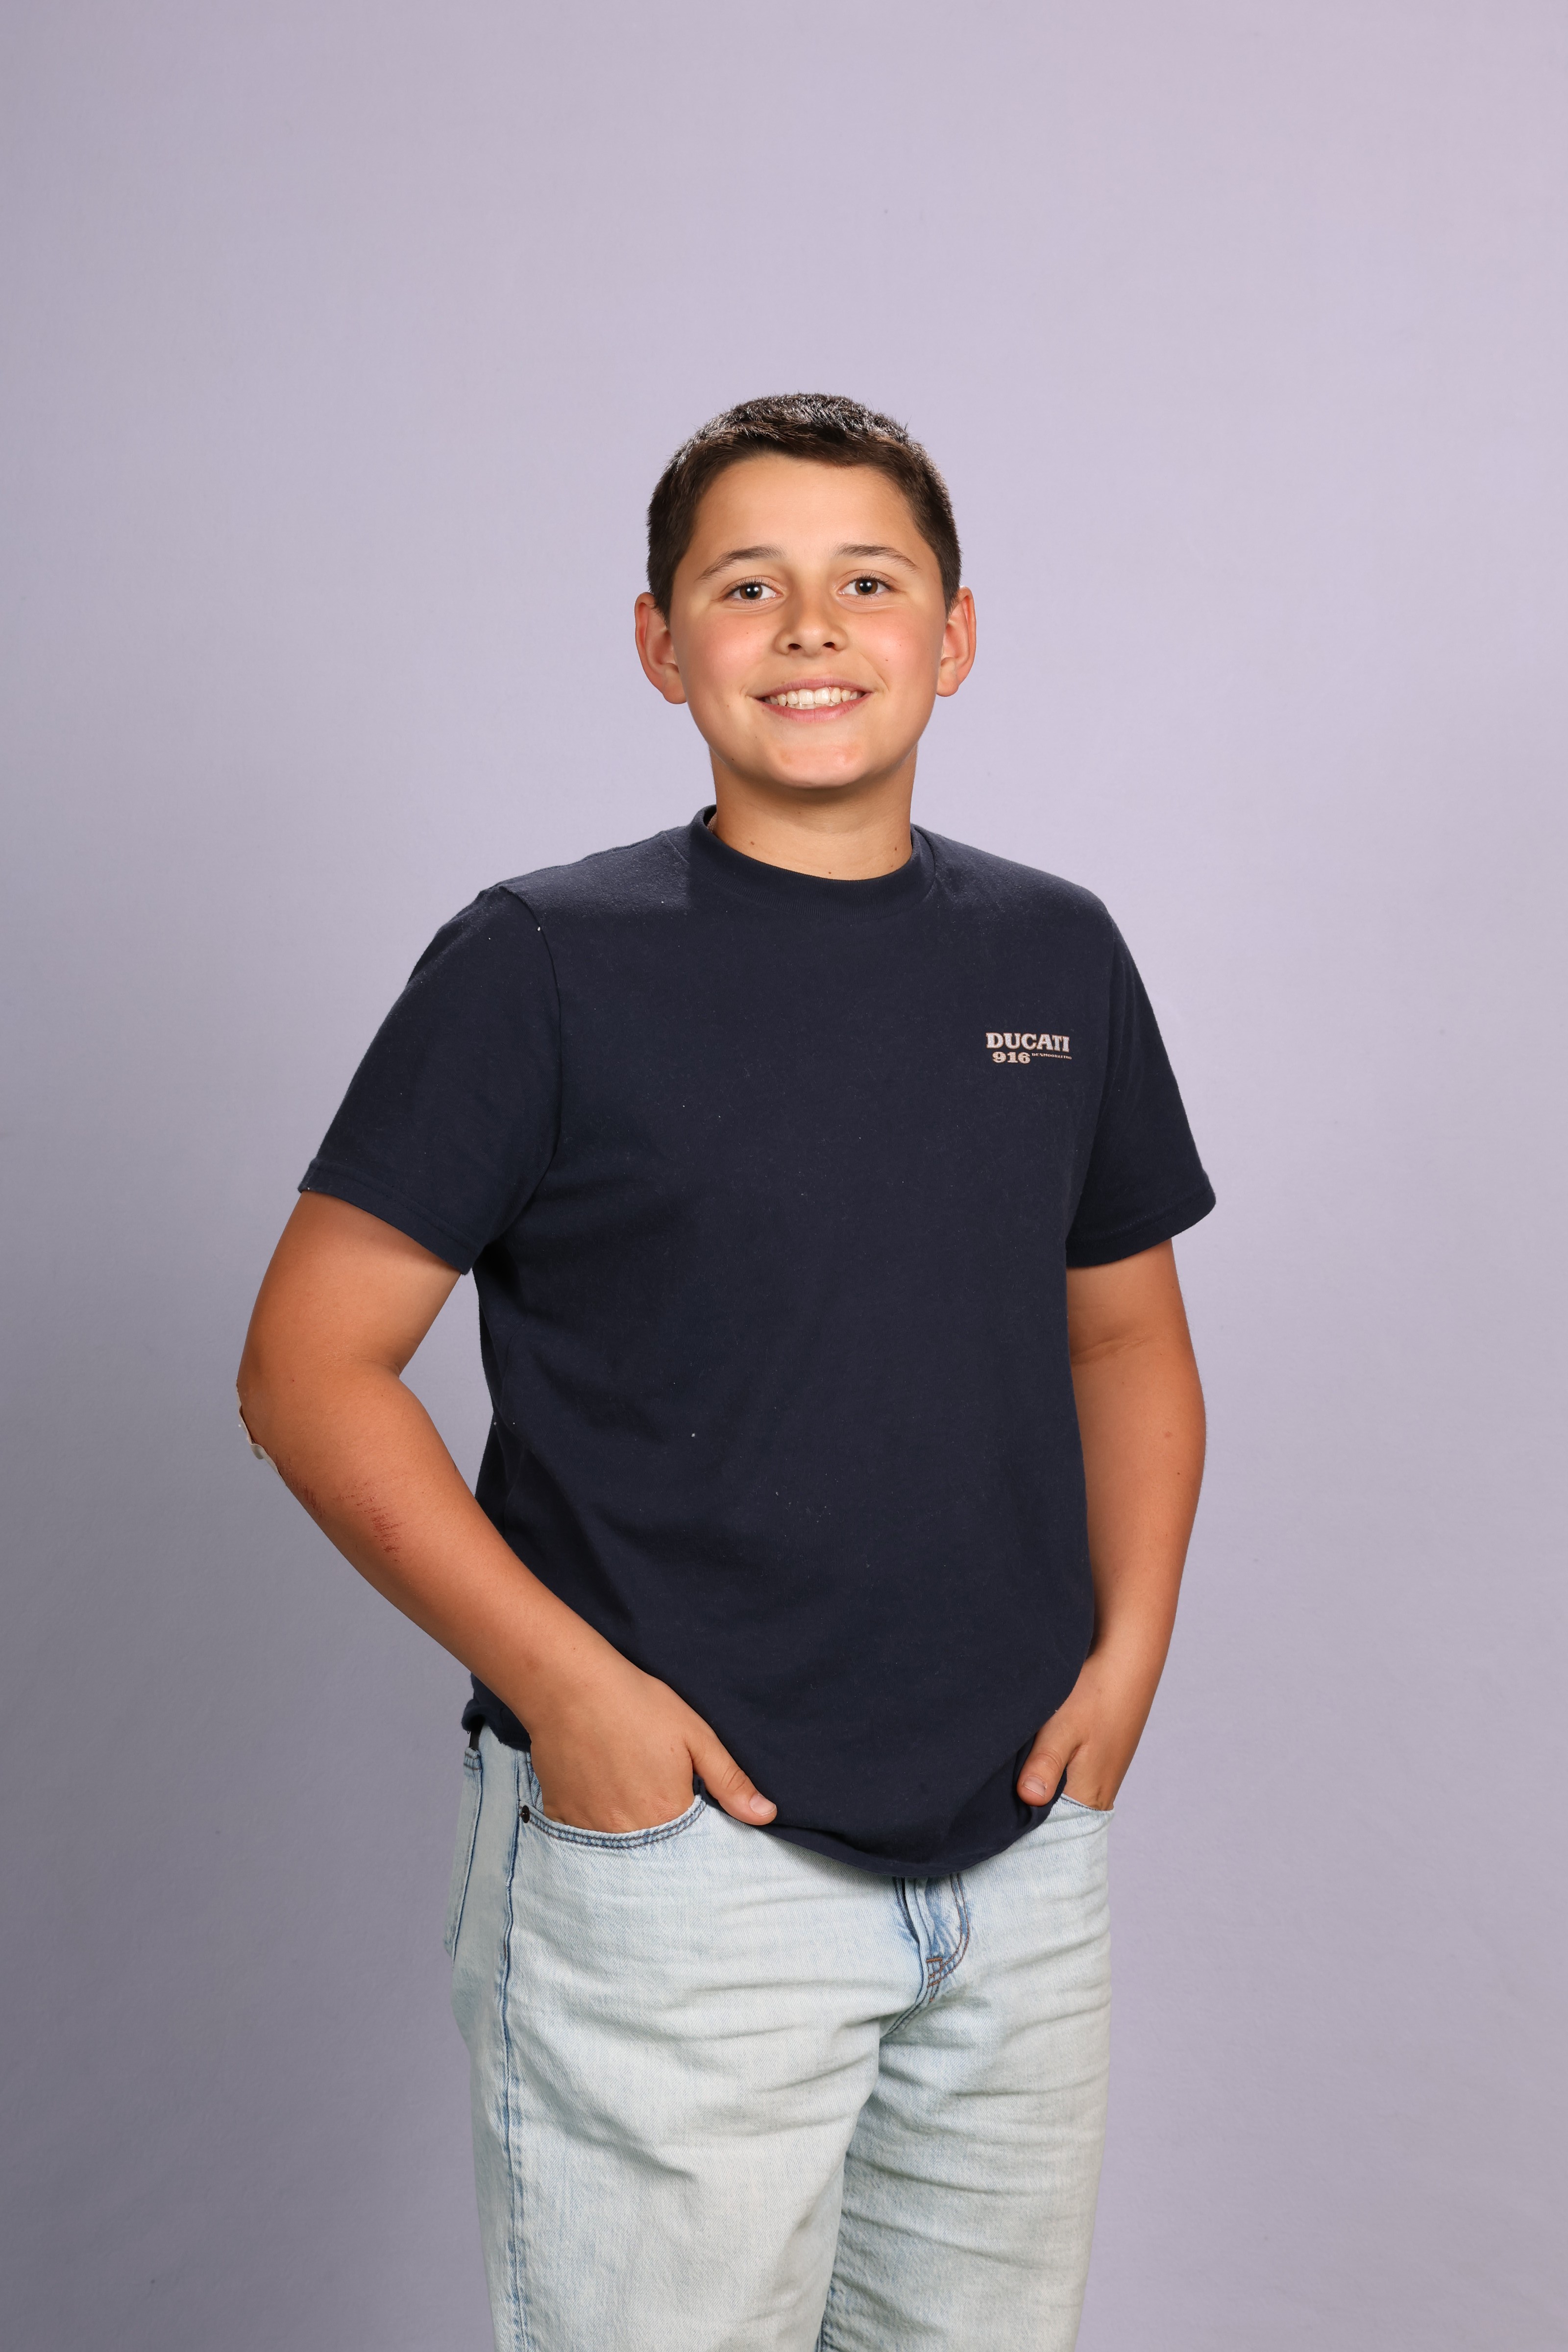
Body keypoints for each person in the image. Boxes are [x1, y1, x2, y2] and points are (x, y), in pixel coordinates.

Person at [238, 392, 1213, 2352]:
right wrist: (574, 1697)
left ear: (953, 636)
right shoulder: (541, 962)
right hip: (679, 1860)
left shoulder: (1056, 956)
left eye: (869, 583)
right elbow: (308, 1366)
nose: (812, 628)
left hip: (1017, 1855)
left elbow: (1122, 1332)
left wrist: (1130, 1656)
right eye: (746, 587)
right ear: (659, 642)